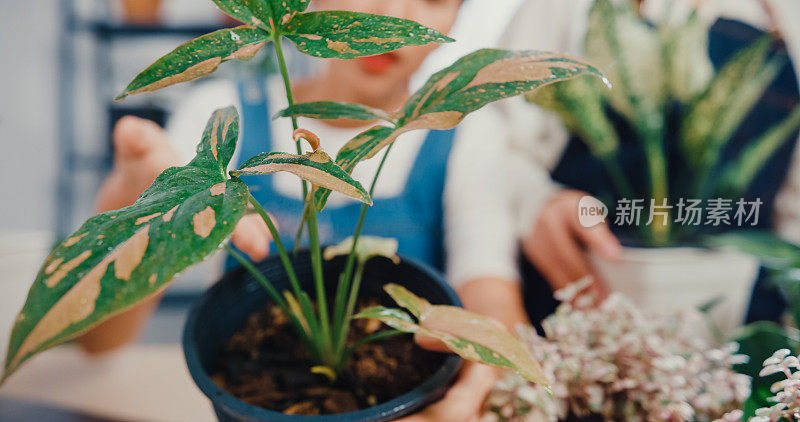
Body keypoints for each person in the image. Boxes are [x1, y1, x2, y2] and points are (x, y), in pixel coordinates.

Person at [82, 0, 526, 420]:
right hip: (253, 384)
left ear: (457, 17)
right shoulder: (222, 113)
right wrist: (136, 190)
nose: (390, 18)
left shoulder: (464, 135)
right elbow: (98, 341)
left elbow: (489, 287)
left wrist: (485, 363)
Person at [496, 0, 800, 325]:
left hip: (738, 317)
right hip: (583, 294)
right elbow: (493, 140)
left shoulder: (785, 15)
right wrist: (534, 205)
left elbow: (792, 217)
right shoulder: (565, 8)